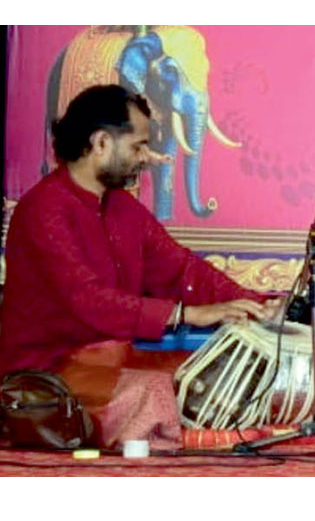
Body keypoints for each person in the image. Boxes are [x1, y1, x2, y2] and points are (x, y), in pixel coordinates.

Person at [0, 85, 281, 449]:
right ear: (101, 143)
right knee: (156, 388)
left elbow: (181, 269)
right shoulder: (44, 210)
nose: (146, 158)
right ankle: (187, 436)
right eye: (137, 146)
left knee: (201, 372)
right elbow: (89, 300)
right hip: (45, 376)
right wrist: (186, 315)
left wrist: (255, 304)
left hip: (105, 362)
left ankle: (180, 431)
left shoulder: (122, 208)